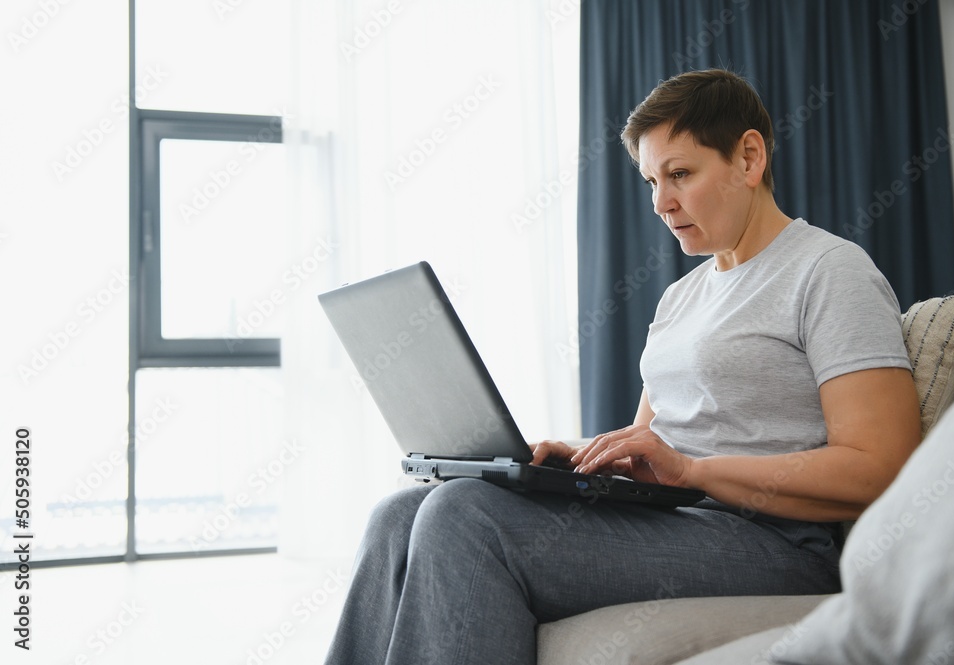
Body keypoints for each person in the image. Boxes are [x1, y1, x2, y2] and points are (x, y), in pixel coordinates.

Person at [323, 68, 922, 665]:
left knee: (467, 519)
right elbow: (646, 447)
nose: (661, 202)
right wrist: (580, 463)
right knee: (398, 515)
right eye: (652, 180)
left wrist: (693, 471)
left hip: (774, 540)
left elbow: (879, 466)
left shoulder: (829, 272)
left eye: (680, 174)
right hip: (677, 518)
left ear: (748, 157)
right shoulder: (680, 298)